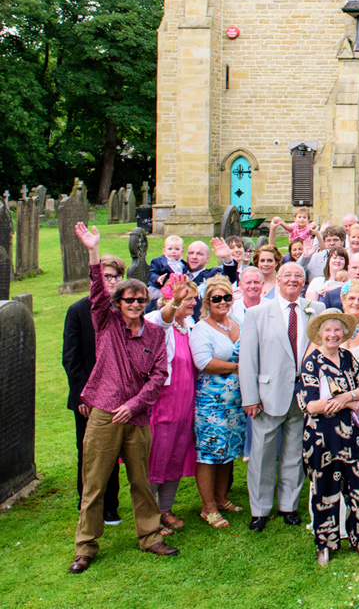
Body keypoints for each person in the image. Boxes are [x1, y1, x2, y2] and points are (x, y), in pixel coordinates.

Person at [68, 223, 178, 574]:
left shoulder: (156, 334)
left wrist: (134, 404)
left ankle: (150, 535)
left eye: (140, 300)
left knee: (141, 481)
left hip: (136, 417)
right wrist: (93, 250)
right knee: (95, 482)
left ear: (146, 303)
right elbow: (98, 292)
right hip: (103, 414)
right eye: (127, 300)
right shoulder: (106, 323)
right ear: (117, 304)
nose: (133, 304)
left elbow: (159, 376)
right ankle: (85, 546)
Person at [239, 261, 325, 531]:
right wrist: (250, 397)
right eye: (287, 275)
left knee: (293, 453)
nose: (293, 280)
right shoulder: (257, 314)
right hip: (268, 395)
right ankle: (260, 510)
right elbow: (248, 360)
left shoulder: (316, 310)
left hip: (304, 396)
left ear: (304, 282)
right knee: (262, 454)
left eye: (298, 276)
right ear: (277, 279)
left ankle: (288, 505)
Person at [297, 310, 359, 565]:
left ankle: (358, 538)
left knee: (357, 488)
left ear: (344, 333)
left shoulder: (347, 358)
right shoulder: (311, 362)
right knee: (324, 490)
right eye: (328, 330)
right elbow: (310, 405)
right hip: (322, 437)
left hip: (350, 436)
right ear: (320, 334)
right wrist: (347, 402)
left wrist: (346, 397)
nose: (333, 335)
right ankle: (325, 543)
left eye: (337, 330)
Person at [63, 251, 124, 527]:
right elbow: (71, 358)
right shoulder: (77, 311)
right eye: (105, 276)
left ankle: (111, 505)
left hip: (119, 397)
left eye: (115, 277)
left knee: (114, 451)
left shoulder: (124, 310)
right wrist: (82, 395)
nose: (110, 281)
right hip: (87, 398)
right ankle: (88, 504)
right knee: (89, 453)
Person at [190, 274, 247, 528]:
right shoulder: (202, 328)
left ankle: (222, 498)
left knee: (228, 451)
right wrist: (238, 367)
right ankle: (208, 508)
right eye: (216, 298)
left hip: (235, 401)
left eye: (227, 297)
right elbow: (203, 362)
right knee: (210, 454)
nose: (222, 302)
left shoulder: (235, 321)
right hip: (211, 404)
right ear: (207, 302)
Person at [144, 273, 199, 536]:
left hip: (185, 406)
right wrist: (175, 302)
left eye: (192, 299)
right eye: (188, 300)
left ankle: (165, 509)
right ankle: (147, 516)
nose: (192, 304)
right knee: (157, 458)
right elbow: (165, 319)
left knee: (176, 457)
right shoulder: (156, 322)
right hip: (163, 405)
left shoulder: (189, 325)